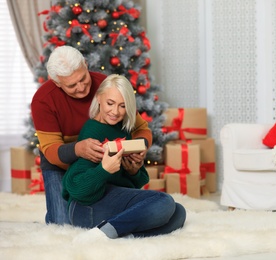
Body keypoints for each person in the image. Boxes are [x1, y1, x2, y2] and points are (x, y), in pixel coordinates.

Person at [31, 46, 152, 225]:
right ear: (56, 82)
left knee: (102, 211)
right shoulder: (43, 100)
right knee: (62, 226)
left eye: (83, 79)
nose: (81, 88)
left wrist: (138, 148)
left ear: (86, 65)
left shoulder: (105, 86)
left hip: (98, 162)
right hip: (60, 162)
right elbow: (50, 150)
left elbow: (141, 128)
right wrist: (78, 149)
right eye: (72, 85)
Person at [62, 74, 186, 238]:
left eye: (122, 106)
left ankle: (118, 235)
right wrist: (104, 169)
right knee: (164, 201)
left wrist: (134, 171)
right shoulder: (92, 131)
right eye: (110, 103)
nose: (115, 112)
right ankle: (104, 233)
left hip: (111, 200)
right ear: (99, 98)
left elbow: (133, 186)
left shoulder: (123, 131)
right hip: (85, 208)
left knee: (178, 213)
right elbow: (77, 189)